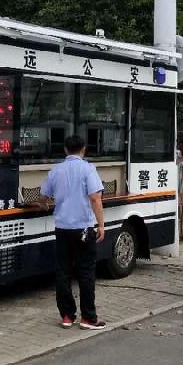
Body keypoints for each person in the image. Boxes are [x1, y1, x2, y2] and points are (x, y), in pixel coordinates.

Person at [38, 135, 107, 330]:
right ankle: (88, 318)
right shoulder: (88, 169)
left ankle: (67, 316)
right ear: (83, 149)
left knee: (63, 272)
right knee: (86, 273)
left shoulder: (56, 170)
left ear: (66, 150)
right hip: (84, 229)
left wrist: (45, 205)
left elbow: (43, 196)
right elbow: (95, 198)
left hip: (62, 229)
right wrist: (101, 225)